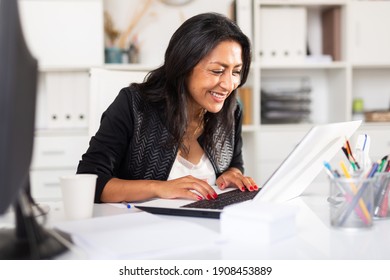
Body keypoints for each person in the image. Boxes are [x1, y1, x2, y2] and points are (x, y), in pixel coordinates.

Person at [77, 12, 258, 203]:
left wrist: (233, 174)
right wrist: (159, 188)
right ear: (184, 65)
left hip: (207, 227)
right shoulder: (132, 106)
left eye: (236, 72)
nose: (229, 84)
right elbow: (89, 182)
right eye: (217, 71)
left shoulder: (231, 111)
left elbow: (235, 163)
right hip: (140, 226)